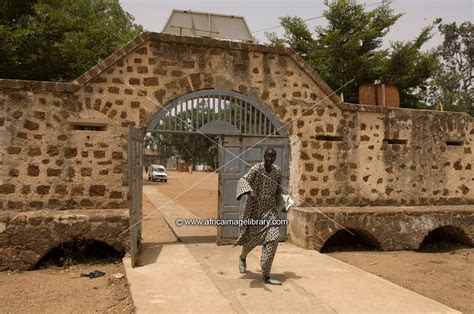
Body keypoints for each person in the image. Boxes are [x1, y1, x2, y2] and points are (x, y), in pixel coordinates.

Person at [235, 147, 283, 285]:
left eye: (273, 157)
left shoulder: (277, 171)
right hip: (255, 210)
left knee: (273, 238)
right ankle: (243, 257)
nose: (270, 159)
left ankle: (266, 275)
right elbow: (243, 180)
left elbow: (278, 189)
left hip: (270, 211)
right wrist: (250, 192)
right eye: (268, 157)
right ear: (264, 156)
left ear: (275, 158)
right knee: (251, 240)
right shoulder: (257, 168)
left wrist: (285, 200)